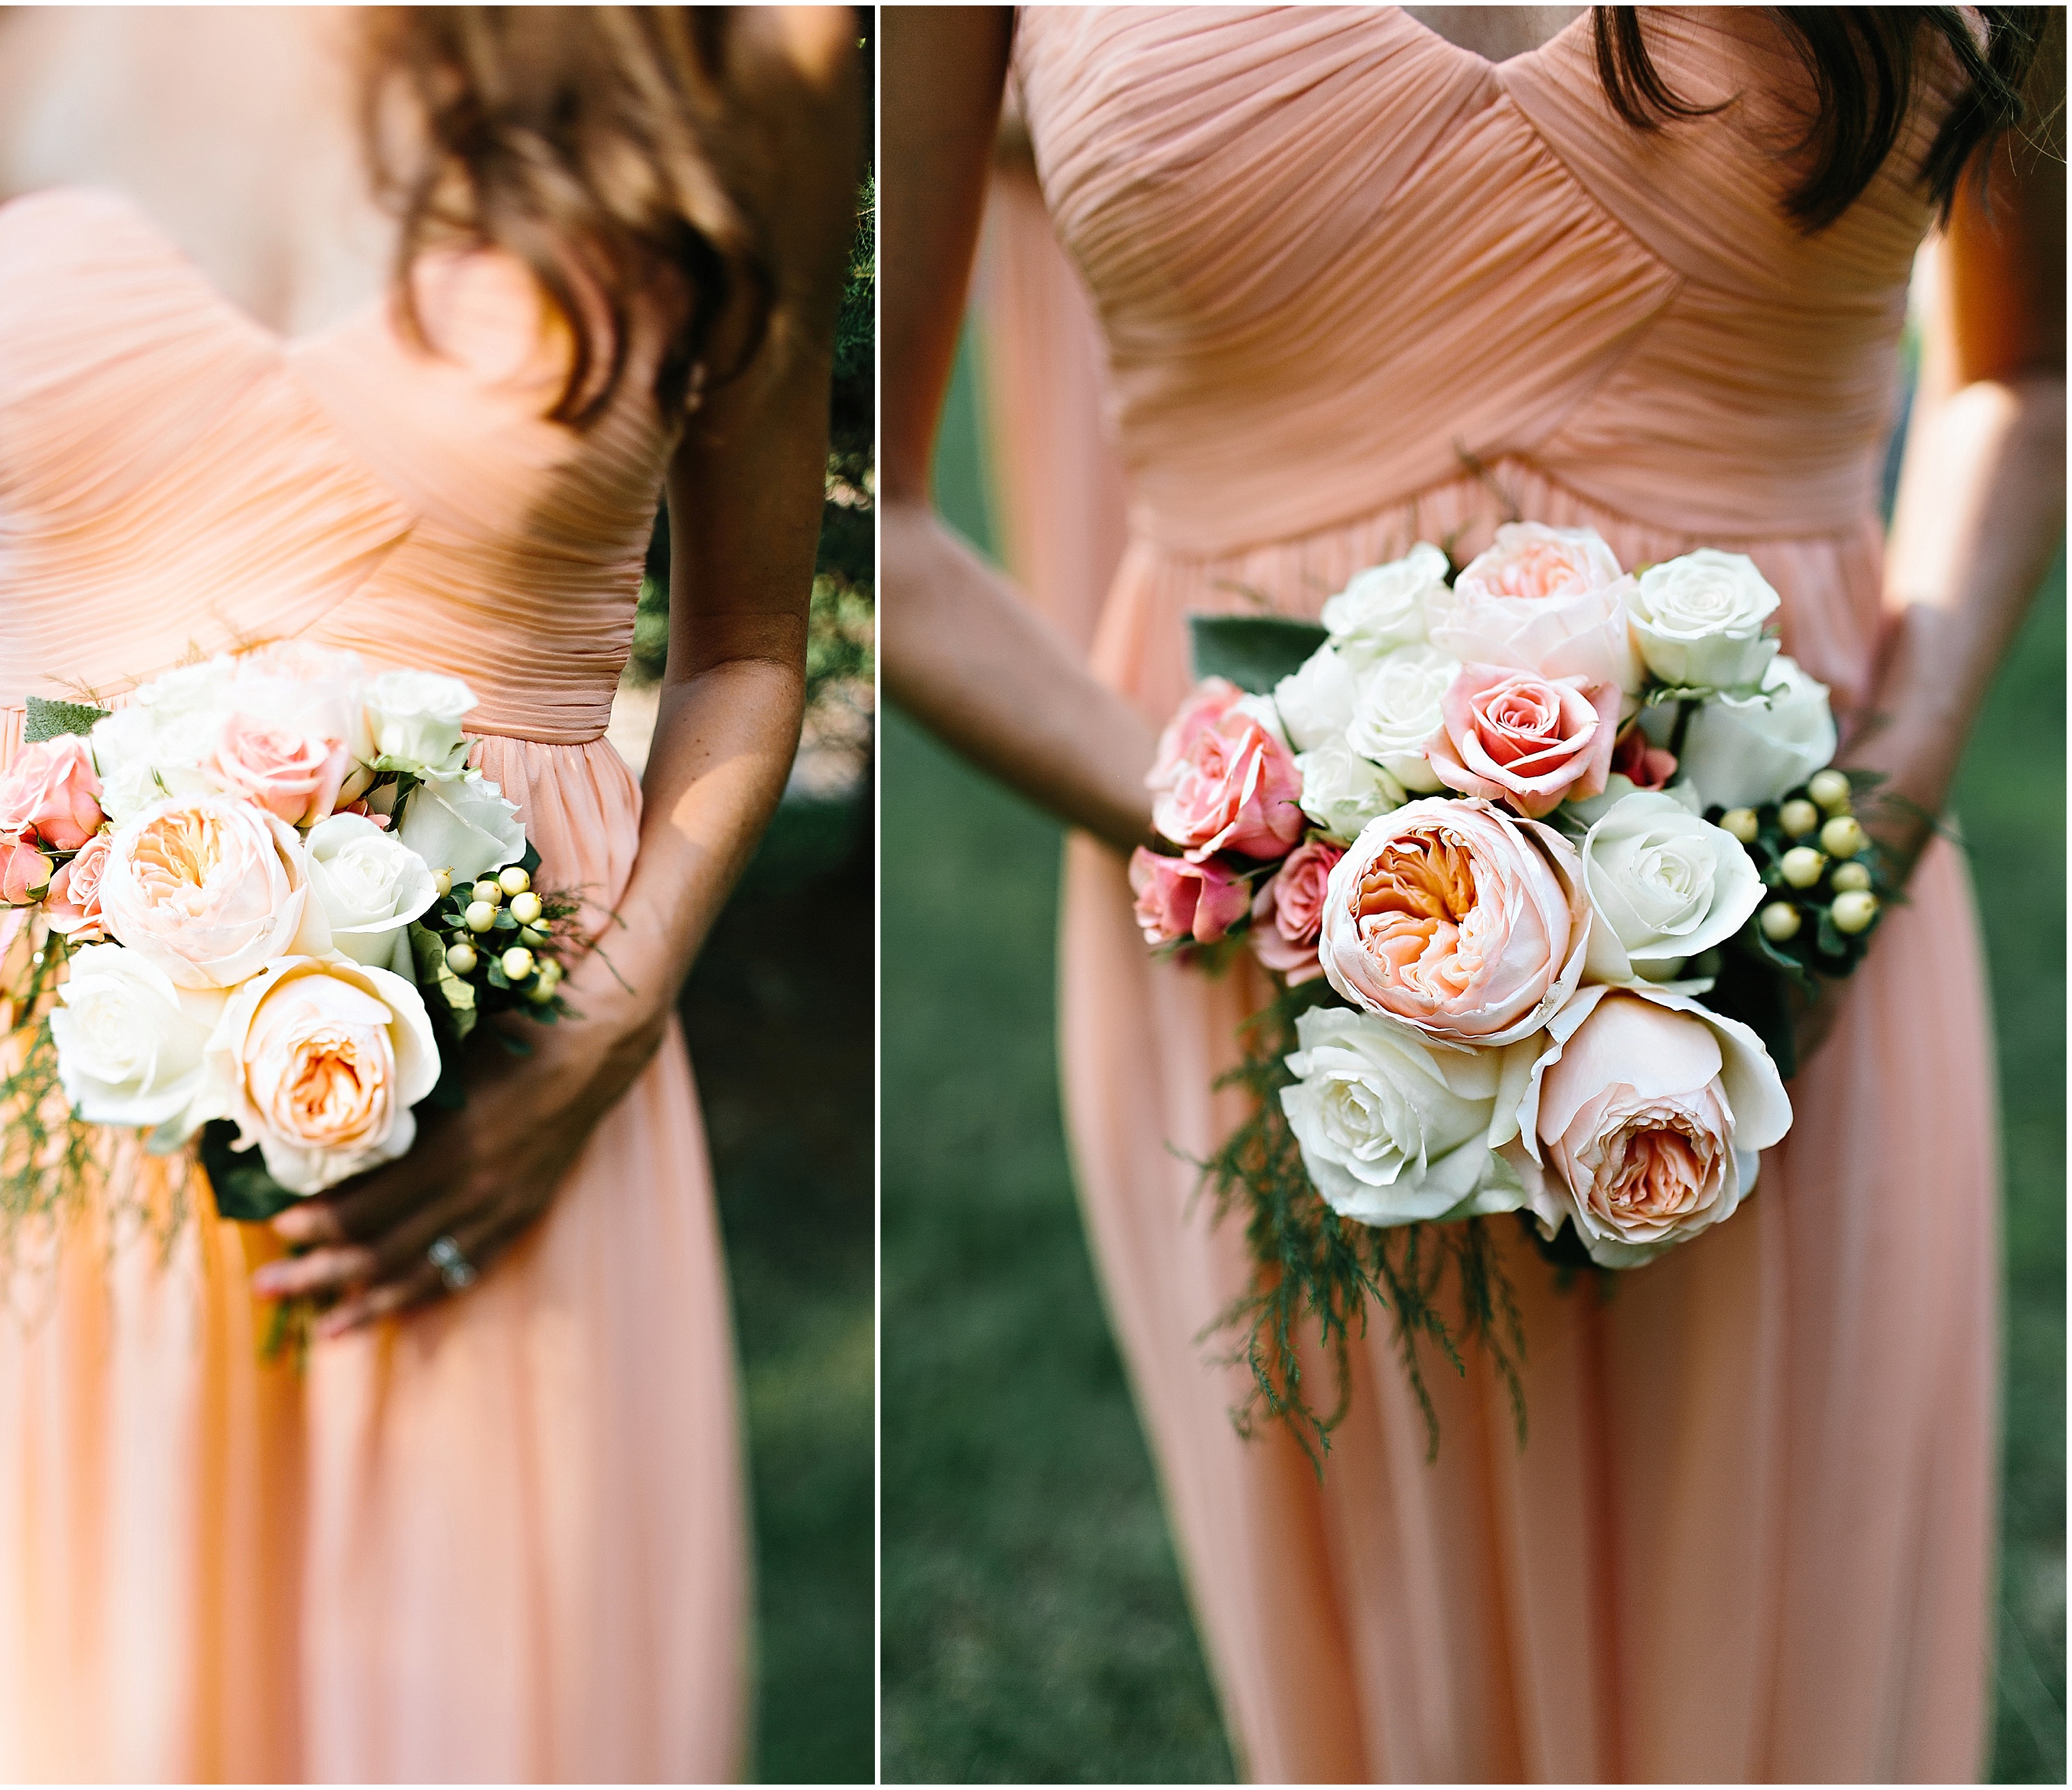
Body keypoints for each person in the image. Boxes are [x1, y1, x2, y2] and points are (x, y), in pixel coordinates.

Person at [882, 5, 2062, 1780]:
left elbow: (2019, 381)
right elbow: (868, 522)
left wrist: (1856, 847)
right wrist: (1292, 850)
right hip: (1280, 968)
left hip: (1788, 931)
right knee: (1384, 1685)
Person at [0, 5, 858, 1780]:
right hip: (64, 1104)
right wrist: (88, 958)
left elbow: (746, 654)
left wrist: (607, 1022)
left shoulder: (753, 43)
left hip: (512, 1106)